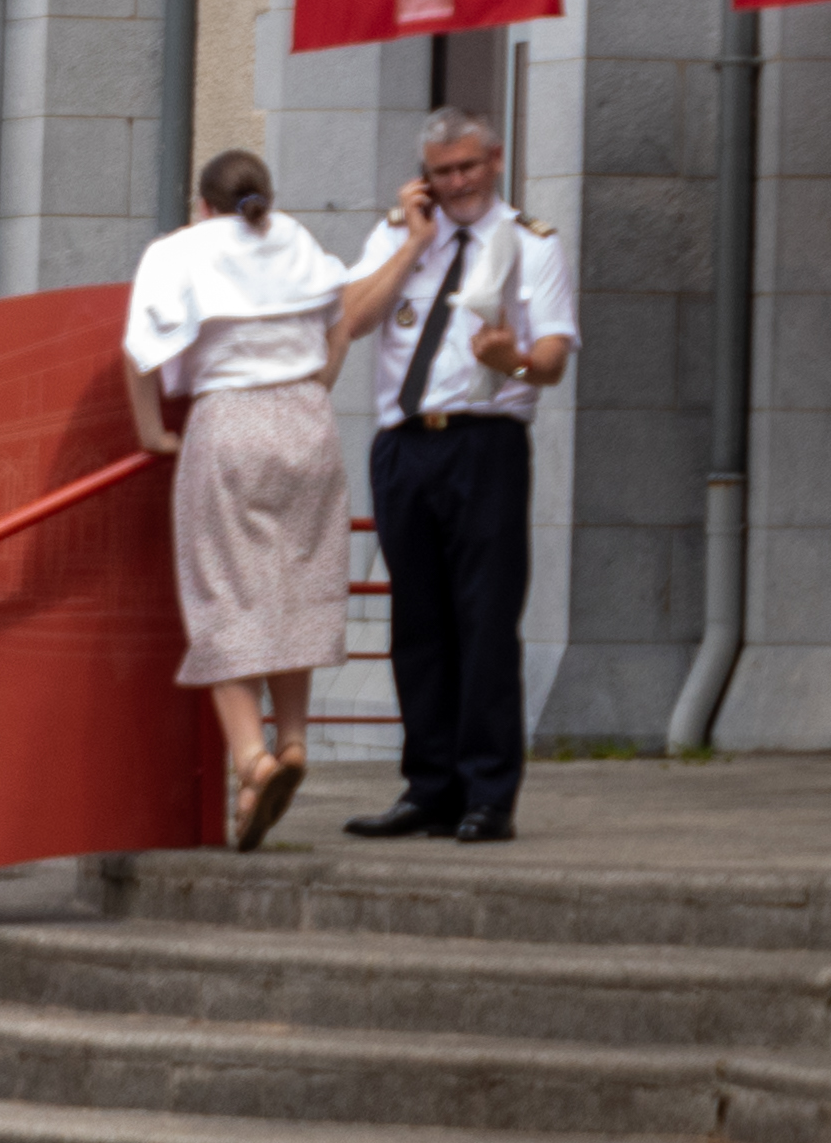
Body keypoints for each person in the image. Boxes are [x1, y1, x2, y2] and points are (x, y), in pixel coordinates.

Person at [120, 150, 391, 851]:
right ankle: (294, 743)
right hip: (307, 422)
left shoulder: (180, 250)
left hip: (230, 419)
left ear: (203, 201)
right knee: (294, 587)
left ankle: (252, 757)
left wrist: (151, 431)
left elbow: (139, 350)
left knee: (226, 596)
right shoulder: (296, 237)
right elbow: (342, 317)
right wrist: (312, 378)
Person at [338, 109, 577, 844]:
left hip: (485, 444)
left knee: (482, 623)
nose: (455, 183)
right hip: (404, 446)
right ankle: (428, 786)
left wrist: (508, 358)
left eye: (467, 167)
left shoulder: (531, 242)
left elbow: (554, 359)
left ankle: (487, 793)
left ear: (495, 159)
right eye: (441, 172)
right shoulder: (396, 233)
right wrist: (414, 241)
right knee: (418, 624)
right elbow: (350, 318)